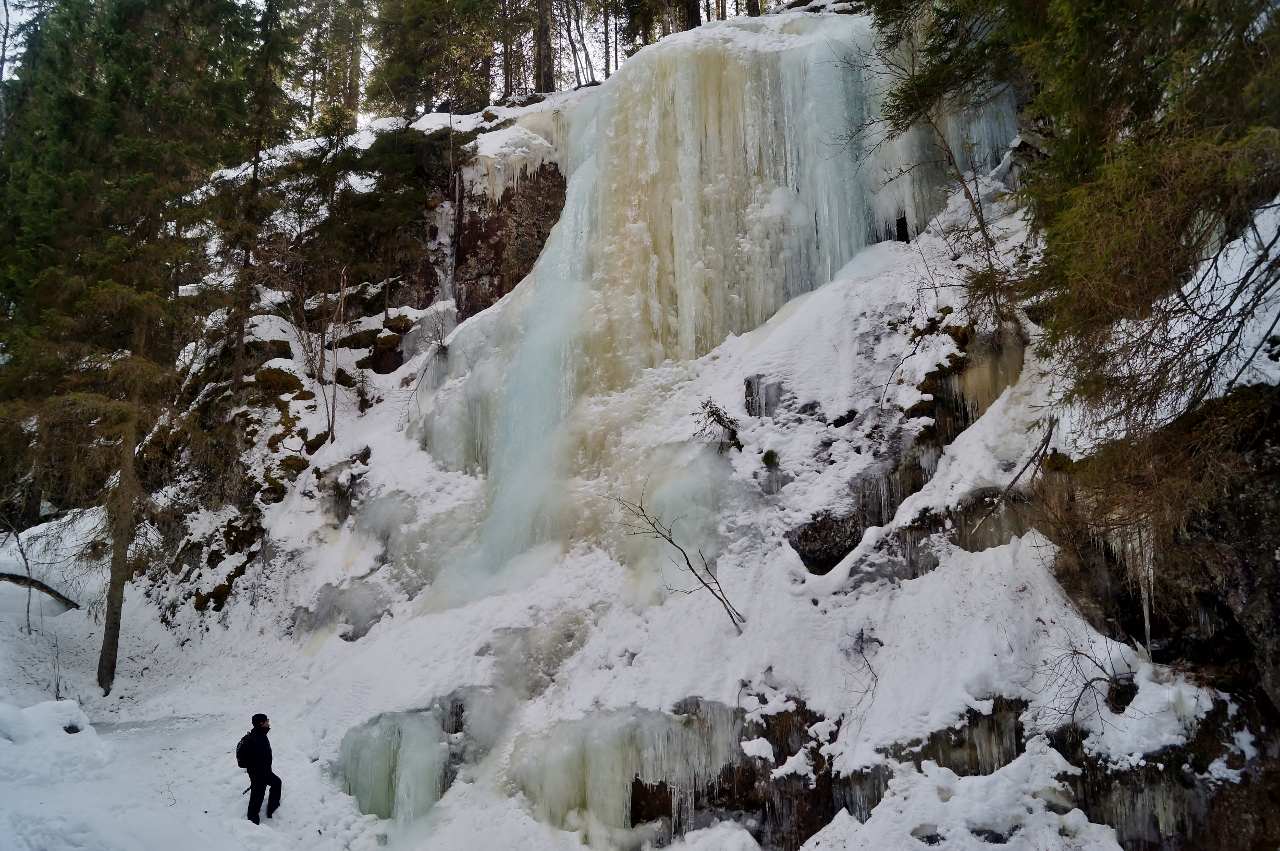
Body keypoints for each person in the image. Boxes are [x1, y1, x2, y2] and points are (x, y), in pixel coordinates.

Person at [242, 713, 282, 824]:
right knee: (257, 796)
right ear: (261, 723)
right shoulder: (258, 739)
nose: (268, 721)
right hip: (259, 773)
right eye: (266, 720)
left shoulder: (260, 734)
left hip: (263, 771)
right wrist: (260, 777)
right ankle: (252, 821)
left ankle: (272, 809)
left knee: (276, 783)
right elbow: (257, 760)